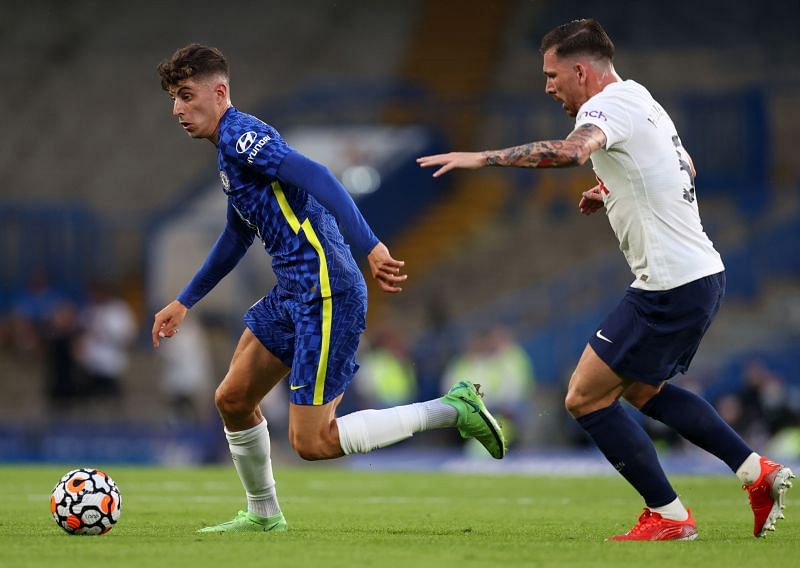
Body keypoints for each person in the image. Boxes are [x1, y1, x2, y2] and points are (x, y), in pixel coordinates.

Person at [417, 19, 793, 541]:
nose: (548, 87)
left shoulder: (603, 108)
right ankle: (757, 473)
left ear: (580, 70)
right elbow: (686, 165)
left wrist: (484, 158)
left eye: (552, 76)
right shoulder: (641, 97)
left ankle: (669, 515)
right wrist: (614, 189)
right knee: (643, 390)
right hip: (700, 274)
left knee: (584, 399)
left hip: (668, 285)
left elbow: (571, 151)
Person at [152, 44, 506, 534]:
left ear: (219, 92)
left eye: (186, 96)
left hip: (325, 289)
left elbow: (317, 174)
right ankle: (262, 514)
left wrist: (372, 245)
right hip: (292, 289)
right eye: (173, 98)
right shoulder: (229, 155)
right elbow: (237, 234)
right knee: (233, 398)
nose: (177, 110)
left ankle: (451, 409)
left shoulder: (243, 136)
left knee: (312, 442)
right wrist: (185, 300)